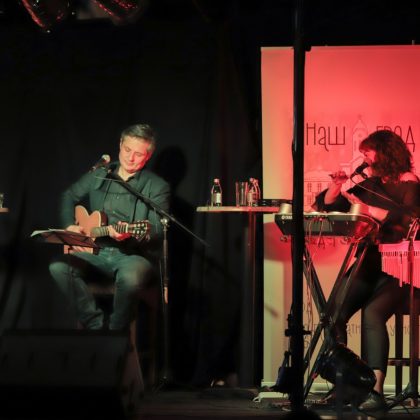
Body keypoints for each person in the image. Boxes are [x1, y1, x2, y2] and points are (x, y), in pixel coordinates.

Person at [313, 129, 420, 412]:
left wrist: (368, 209)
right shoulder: (371, 182)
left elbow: (408, 220)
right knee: (334, 312)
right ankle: (344, 383)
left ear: (384, 152)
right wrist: (337, 187)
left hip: (400, 266)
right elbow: (329, 206)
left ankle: (375, 391)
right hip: (370, 260)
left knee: (372, 313)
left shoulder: (409, 181)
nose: (364, 157)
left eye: (367, 151)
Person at [49, 123, 170, 331]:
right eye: (127, 149)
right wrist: (70, 225)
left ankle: (116, 334)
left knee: (130, 277)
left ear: (148, 156)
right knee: (59, 267)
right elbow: (68, 196)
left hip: (134, 256)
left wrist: (133, 233)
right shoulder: (100, 173)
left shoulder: (157, 186)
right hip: (96, 250)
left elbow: (159, 228)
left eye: (138, 154)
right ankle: (95, 326)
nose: (130, 158)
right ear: (120, 144)